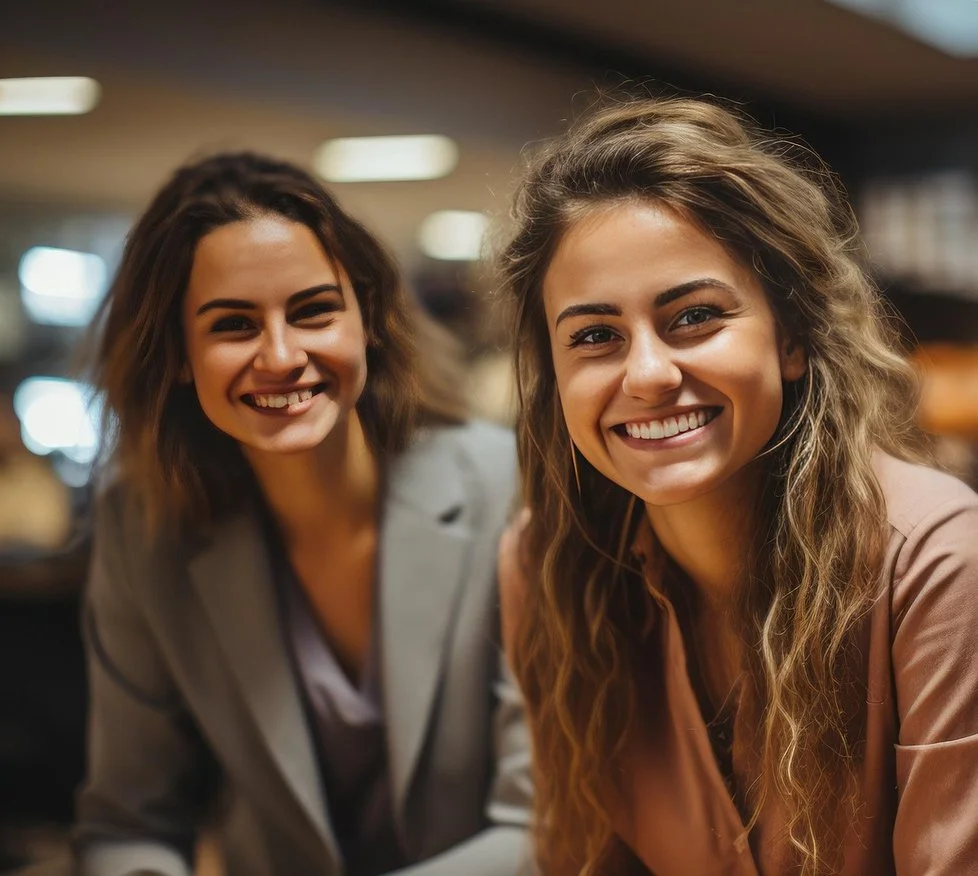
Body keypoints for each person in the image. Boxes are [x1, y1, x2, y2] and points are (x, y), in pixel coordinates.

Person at [497, 96, 978, 876]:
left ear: (789, 337)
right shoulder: (544, 562)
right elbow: (585, 857)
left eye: (692, 317)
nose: (648, 374)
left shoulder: (932, 558)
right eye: (594, 337)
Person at [73, 152, 531, 876]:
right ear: (179, 356)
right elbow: (129, 819)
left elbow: (545, 823)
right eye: (233, 325)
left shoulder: (507, 484)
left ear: (370, 318)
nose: (282, 356)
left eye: (314, 311)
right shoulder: (143, 527)